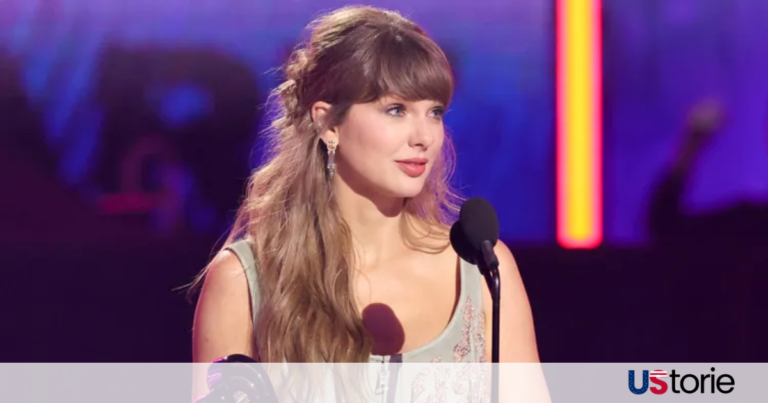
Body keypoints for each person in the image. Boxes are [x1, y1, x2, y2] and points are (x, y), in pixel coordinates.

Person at [191, 6, 543, 396]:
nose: (424, 137)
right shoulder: (244, 281)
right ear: (328, 123)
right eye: (396, 110)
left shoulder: (482, 270)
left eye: (434, 112)